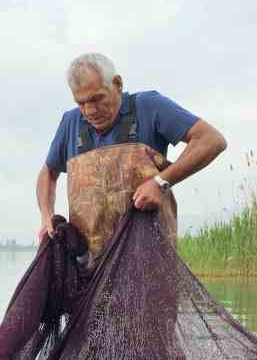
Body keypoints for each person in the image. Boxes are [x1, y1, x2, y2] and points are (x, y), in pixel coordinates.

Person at [35, 54, 226, 266]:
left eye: (97, 98)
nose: (90, 110)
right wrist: (46, 215)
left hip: (148, 260)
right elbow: (48, 173)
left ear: (117, 84)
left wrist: (160, 183)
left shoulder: (149, 106)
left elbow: (211, 140)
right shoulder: (70, 122)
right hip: (89, 265)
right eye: (81, 103)